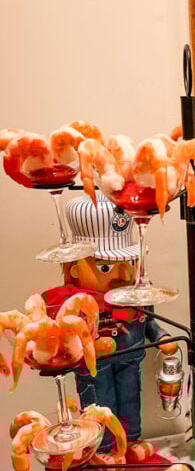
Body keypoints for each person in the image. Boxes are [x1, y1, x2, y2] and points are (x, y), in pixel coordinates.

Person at [49, 192, 177, 448]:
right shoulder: (73, 303)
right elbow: (64, 343)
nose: (124, 274)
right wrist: (89, 347)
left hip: (131, 358)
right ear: (74, 268)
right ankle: (104, 448)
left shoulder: (137, 292)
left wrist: (161, 336)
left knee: (131, 399)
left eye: (129, 262)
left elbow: (147, 319)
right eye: (105, 267)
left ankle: (131, 442)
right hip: (95, 368)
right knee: (100, 404)